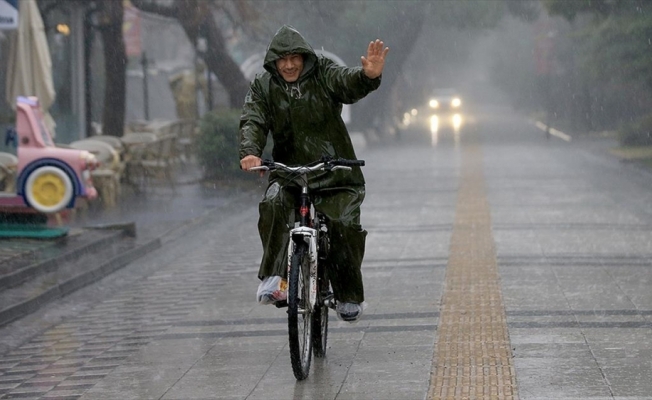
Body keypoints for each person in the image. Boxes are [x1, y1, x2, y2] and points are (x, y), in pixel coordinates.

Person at [239, 25, 389, 322]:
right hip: (289, 173)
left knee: (343, 223)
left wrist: (367, 76)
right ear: (273, 62)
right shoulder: (263, 85)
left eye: (295, 57)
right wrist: (250, 151)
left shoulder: (323, 71)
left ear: (306, 57)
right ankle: (275, 278)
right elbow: (253, 119)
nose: (290, 64)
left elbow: (347, 82)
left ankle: (347, 294)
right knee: (273, 203)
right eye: (283, 59)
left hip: (335, 172)